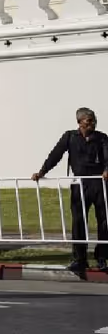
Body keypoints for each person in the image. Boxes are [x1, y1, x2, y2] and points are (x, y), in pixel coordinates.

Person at [31, 107, 108, 275]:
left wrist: (106, 170)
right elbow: (55, 155)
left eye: (94, 120)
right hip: (79, 183)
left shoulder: (101, 138)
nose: (93, 123)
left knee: (104, 220)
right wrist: (42, 172)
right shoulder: (70, 137)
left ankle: (102, 257)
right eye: (89, 121)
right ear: (79, 122)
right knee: (79, 221)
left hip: (99, 183)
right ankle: (79, 259)